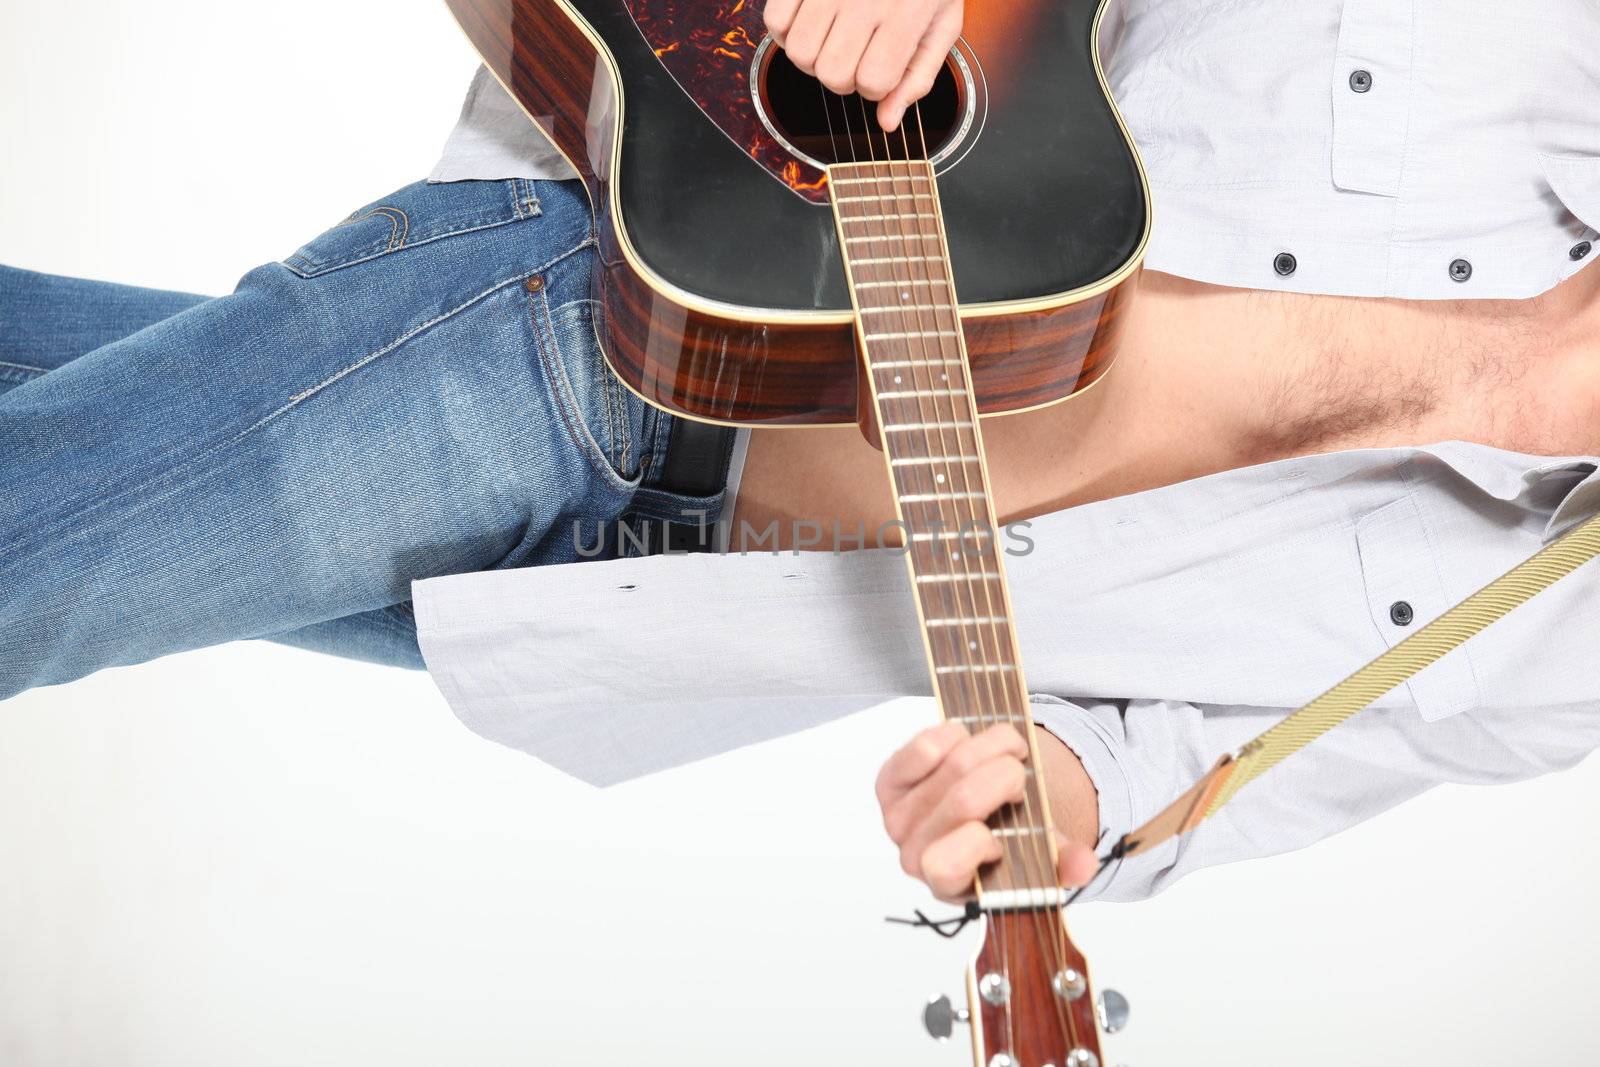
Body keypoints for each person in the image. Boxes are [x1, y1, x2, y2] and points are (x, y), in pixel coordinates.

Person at [4, 0, 1599, 907]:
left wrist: (1049, 797)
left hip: (664, 593)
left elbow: (1164, 789)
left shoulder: (1565, 673)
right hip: (607, 319)